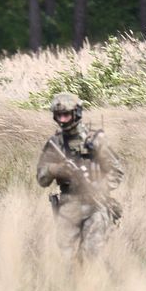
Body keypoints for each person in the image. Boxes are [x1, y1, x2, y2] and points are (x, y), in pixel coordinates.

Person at [35, 92, 124, 261]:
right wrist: (56, 169)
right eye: (59, 116)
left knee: (92, 253)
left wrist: (101, 186)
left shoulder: (95, 140)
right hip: (68, 205)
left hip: (96, 204)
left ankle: (97, 284)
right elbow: (41, 178)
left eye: (66, 115)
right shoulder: (55, 144)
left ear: (76, 113)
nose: (62, 120)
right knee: (68, 256)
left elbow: (117, 171)